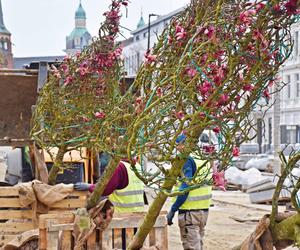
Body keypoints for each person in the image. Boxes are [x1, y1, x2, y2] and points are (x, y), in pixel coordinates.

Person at [166, 134, 212, 250]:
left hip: (189, 213)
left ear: (185, 145)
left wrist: (173, 209)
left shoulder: (187, 160)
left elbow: (185, 189)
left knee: (191, 246)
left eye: (178, 145)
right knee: (198, 245)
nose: (177, 148)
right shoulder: (203, 159)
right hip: (203, 211)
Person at [74, 156, 145, 213]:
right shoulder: (138, 166)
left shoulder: (119, 167)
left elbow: (105, 190)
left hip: (121, 215)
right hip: (138, 213)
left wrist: (89, 186)